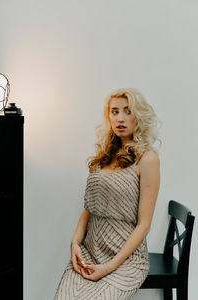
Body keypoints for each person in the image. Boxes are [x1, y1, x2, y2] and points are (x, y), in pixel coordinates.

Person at [54, 88, 161, 299]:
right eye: (114, 111)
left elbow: (144, 225)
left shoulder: (147, 159)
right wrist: (75, 243)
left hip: (125, 259)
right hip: (91, 252)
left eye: (128, 111)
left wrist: (109, 267)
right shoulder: (104, 156)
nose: (120, 118)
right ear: (108, 117)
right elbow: (90, 208)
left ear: (139, 116)